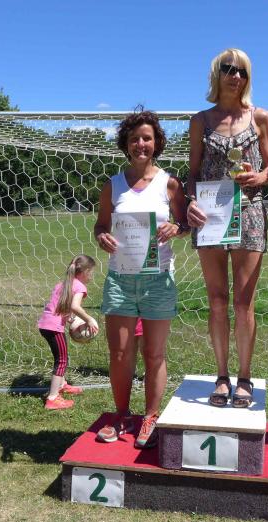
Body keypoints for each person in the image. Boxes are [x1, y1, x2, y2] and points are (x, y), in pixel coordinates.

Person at [186, 48, 268, 408]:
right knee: (217, 300)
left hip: (250, 212)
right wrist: (191, 201)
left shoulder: (260, 117)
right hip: (211, 216)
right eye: (228, 69)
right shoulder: (200, 121)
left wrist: (262, 177)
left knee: (243, 302)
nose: (235, 76)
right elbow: (193, 173)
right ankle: (221, 376)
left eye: (241, 71)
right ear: (216, 74)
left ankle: (245, 377)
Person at [94, 109, 189, 448]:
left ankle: (150, 416)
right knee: (120, 353)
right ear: (126, 143)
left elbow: (185, 223)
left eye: (147, 138)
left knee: (154, 354)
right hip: (120, 279)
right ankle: (122, 416)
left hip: (158, 280)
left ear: (156, 143)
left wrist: (176, 227)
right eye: (134, 139)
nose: (141, 144)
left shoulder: (170, 184)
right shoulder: (113, 185)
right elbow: (101, 225)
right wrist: (101, 236)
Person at [37, 254, 99, 410]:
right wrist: (88, 319)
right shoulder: (80, 287)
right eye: (91, 272)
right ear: (84, 272)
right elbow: (74, 307)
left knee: (60, 356)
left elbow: (60, 307)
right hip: (53, 327)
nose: (92, 275)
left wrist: (72, 321)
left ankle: (62, 384)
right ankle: (52, 398)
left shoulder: (62, 284)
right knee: (62, 360)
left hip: (45, 325)